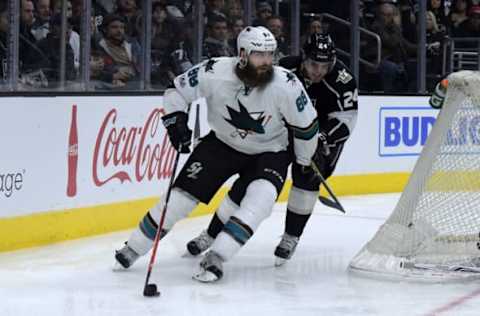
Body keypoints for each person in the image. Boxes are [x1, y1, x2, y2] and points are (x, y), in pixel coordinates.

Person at [114, 26, 320, 282]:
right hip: (221, 143)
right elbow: (176, 90)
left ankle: (218, 256)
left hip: (270, 151)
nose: (267, 61)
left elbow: (307, 127)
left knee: (261, 200)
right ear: (242, 54)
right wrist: (175, 120)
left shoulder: (286, 84)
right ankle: (134, 247)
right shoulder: (214, 71)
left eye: (270, 54)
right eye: (260, 55)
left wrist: (303, 159)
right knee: (179, 200)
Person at [186, 33, 358, 266]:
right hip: (282, 133)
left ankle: (291, 237)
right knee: (251, 178)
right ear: (303, 57)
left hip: (323, 139)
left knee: (306, 179)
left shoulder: (343, 80)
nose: (318, 71)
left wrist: (323, 137)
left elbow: (346, 119)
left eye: (324, 66)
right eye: (313, 64)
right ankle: (211, 233)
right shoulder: (285, 68)